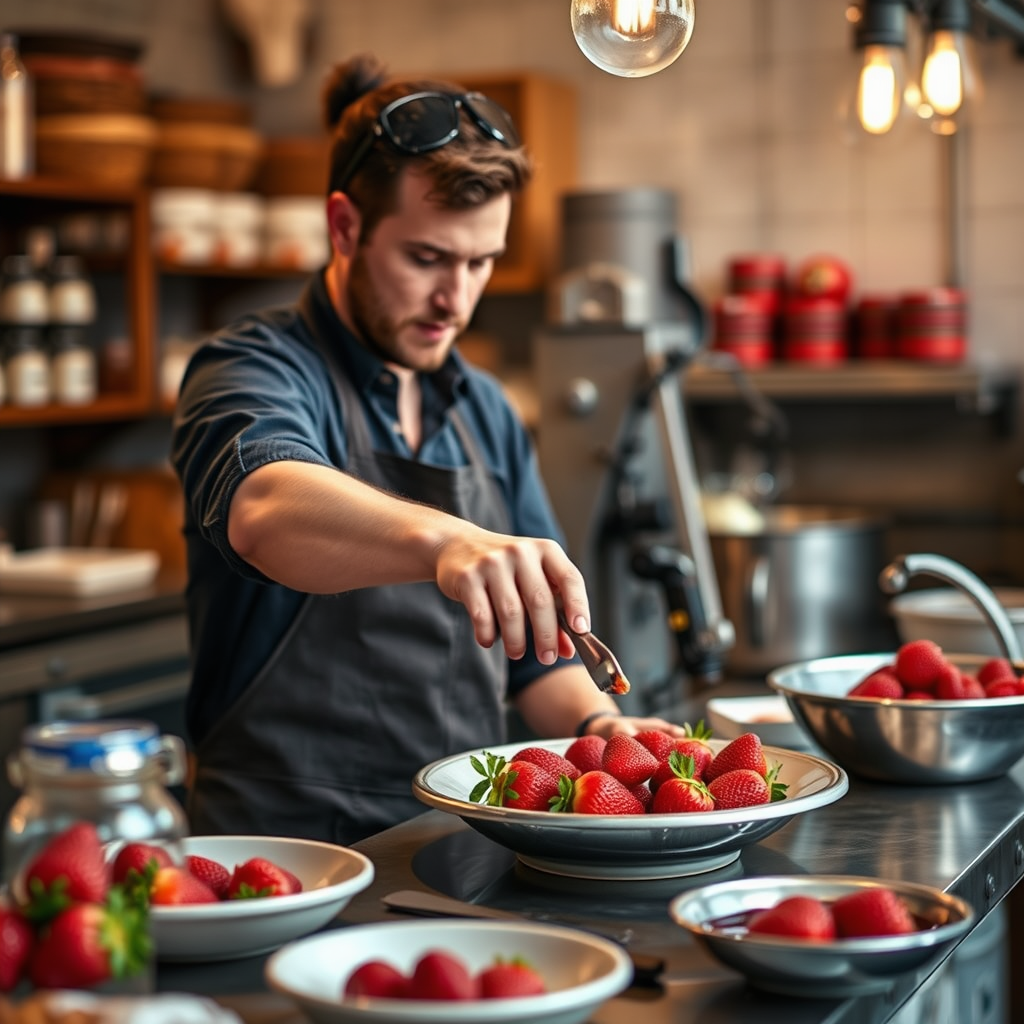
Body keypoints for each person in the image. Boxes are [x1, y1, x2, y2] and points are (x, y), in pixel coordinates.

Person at [170, 53, 688, 845]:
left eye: (481, 262)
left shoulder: (485, 408)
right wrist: (449, 543)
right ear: (344, 227)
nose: (456, 300)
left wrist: (599, 724)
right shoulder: (251, 367)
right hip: (286, 857)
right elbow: (265, 507)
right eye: (427, 259)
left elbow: (538, 656)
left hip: (459, 839)